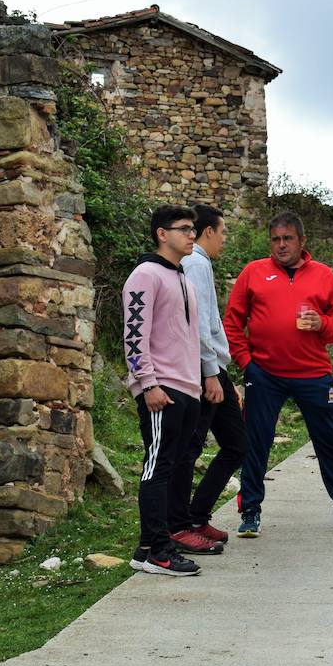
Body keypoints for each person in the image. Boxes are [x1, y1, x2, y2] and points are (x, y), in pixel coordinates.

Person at [222, 212, 333, 539]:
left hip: (314, 374)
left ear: (302, 242)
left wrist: (322, 324)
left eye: (288, 238)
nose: (281, 245)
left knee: (329, 443)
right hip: (266, 375)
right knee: (256, 443)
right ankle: (250, 511)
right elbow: (232, 322)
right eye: (275, 239)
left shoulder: (323, 276)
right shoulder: (253, 273)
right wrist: (247, 363)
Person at [124, 205, 203, 576]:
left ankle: (153, 544)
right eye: (185, 229)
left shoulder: (184, 279)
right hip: (162, 389)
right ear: (162, 234)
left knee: (170, 467)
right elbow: (134, 337)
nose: (192, 235)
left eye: (194, 229)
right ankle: (155, 551)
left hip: (187, 389)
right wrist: (147, 384)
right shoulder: (145, 275)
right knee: (156, 467)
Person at [168, 203, 247, 555]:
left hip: (215, 367)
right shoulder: (196, 262)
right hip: (205, 369)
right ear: (209, 231)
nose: (225, 239)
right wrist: (210, 374)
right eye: (223, 231)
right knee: (190, 447)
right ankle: (179, 525)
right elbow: (197, 321)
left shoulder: (199, 263)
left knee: (236, 444)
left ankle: (196, 515)